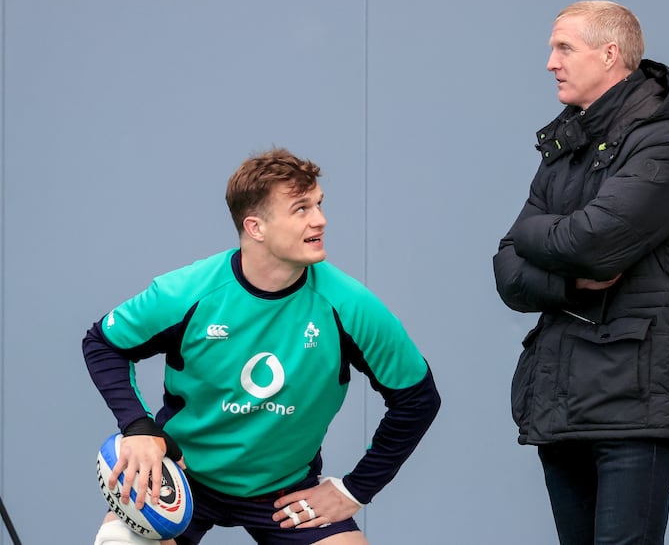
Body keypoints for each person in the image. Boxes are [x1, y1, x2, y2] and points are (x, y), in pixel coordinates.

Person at [84, 148, 441, 545]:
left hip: (283, 490)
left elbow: (418, 399)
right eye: (301, 209)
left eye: (319, 204)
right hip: (182, 478)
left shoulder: (350, 307)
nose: (320, 219)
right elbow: (103, 343)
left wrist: (355, 490)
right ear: (256, 227)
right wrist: (137, 427)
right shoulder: (187, 292)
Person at [492, 0, 669, 545]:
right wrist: (565, 279)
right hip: (561, 400)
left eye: (564, 47)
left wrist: (537, 236)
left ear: (610, 54)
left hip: (634, 401)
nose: (551, 62)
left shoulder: (667, 141)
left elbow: (592, 245)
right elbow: (506, 270)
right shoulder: (566, 146)